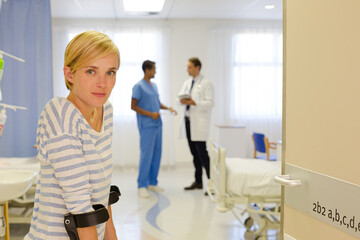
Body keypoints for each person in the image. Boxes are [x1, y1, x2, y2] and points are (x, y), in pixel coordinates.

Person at [25, 31, 120, 240]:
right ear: (69, 74)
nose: (102, 84)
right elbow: (82, 211)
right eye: (91, 71)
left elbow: (103, 194)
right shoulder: (60, 113)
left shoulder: (106, 110)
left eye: (110, 72)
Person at [131, 60, 177, 198]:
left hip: (158, 125)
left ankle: (152, 182)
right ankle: (142, 185)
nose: (155, 71)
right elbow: (133, 106)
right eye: (153, 69)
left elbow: (156, 103)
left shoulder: (154, 86)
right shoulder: (138, 87)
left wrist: (167, 108)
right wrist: (150, 114)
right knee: (146, 155)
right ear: (147, 70)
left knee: (157, 154)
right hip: (147, 126)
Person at [178, 57, 214, 193]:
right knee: (194, 154)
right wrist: (183, 100)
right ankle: (198, 181)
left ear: (197, 67)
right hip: (188, 122)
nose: (187, 69)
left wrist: (195, 103)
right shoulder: (188, 83)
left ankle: (212, 184)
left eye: (190, 67)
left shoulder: (206, 83)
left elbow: (211, 103)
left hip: (199, 124)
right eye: (187, 67)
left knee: (203, 154)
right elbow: (179, 97)